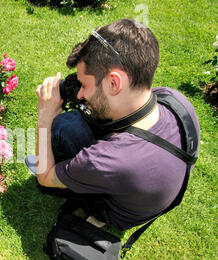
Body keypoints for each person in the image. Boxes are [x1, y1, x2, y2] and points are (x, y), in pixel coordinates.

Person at [25, 18, 200, 231]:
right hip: (149, 191)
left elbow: (44, 177)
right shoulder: (174, 99)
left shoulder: (106, 159)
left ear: (114, 82)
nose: (79, 94)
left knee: (64, 125)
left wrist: (45, 116)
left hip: (115, 211)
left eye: (84, 85)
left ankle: (97, 218)